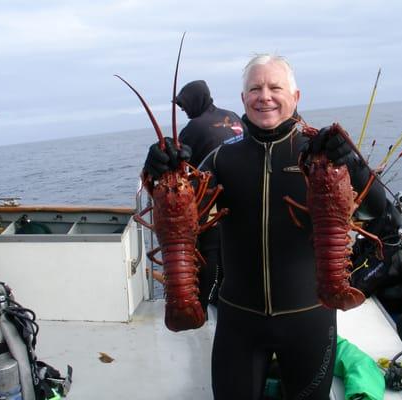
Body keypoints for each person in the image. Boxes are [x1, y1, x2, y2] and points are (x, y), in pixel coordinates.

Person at [144, 54, 386, 399]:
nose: (265, 96)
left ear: (296, 96)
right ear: (243, 99)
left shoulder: (325, 154)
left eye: (275, 87)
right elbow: (182, 222)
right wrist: (155, 168)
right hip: (238, 320)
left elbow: (382, 213)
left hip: (310, 319)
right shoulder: (220, 158)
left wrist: (355, 163)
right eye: (255, 88)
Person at [147, 79, 245, 310]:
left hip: (211, 208)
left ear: (194, 100)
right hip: (242, 201)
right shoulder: (233, 115)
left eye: (183, 103)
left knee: (208, 258)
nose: (181, 108)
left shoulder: (193, 129)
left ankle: (207, 304)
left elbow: (175, 166)